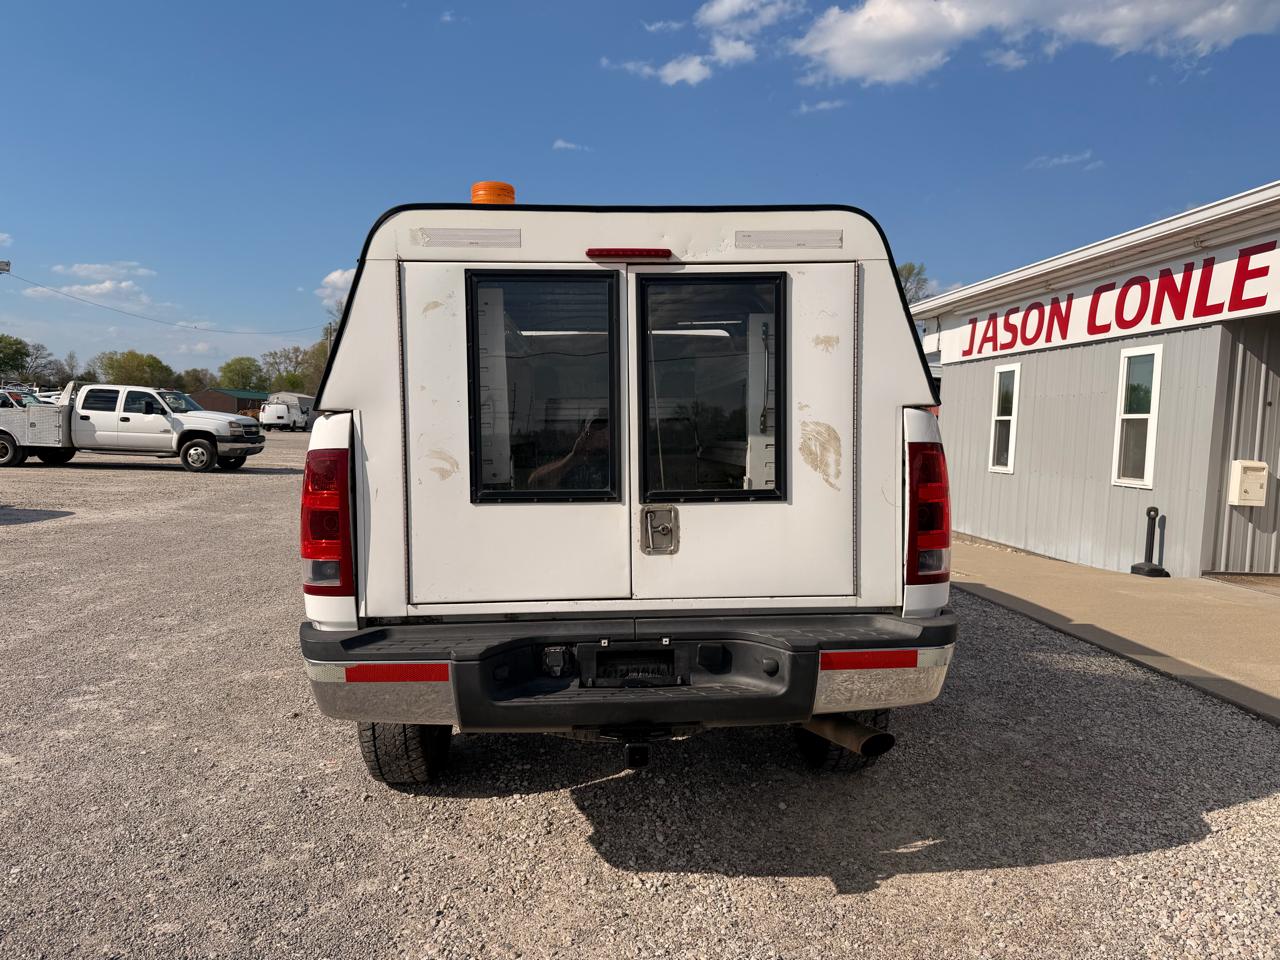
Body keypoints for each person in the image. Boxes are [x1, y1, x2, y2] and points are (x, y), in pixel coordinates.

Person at [528, 415, 610, 490]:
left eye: (605, 430)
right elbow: (535, 484)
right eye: (595, 429)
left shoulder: (618, 460)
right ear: (584, 435)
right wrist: (573, 457)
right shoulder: (570, 462)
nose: (601, 435)